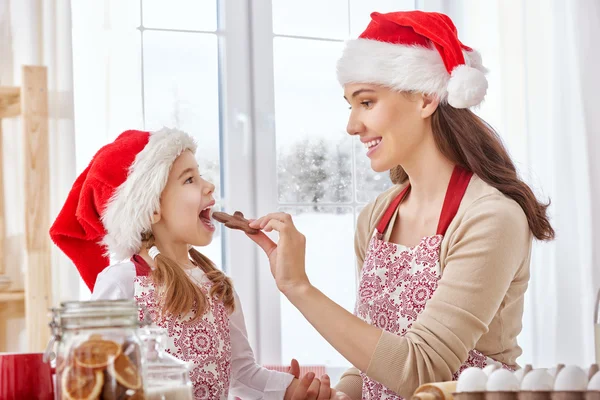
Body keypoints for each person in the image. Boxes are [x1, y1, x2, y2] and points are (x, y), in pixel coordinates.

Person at [245, 10, 555, 400]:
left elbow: (419, 369)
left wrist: (297, 286)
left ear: (425, 98)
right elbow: (373, 367)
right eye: (350, 105)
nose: (352, 125)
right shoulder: (377, 217)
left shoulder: (490, 217)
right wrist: (337, 396)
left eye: (367, 102)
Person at [49, 128, 348, 399]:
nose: (208, 186)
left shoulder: (216, 284)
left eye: (200, 175)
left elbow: (242, 374)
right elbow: (99, 378)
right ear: (151, 208)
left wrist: (290, 390)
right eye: (189, 179)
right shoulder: (122, 282)